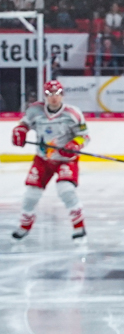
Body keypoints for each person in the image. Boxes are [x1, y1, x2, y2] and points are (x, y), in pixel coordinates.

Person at [10, 80, 89, 242]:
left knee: (66, 190)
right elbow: (24, 123)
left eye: (57, 94)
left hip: (66, 160)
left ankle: (79, 226)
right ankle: (24, 226)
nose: (54, 97)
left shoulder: (73, 113)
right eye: (49, 94)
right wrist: (20, 130)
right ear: (45, 95)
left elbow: (84, 136)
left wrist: (75, 144)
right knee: (31, 195)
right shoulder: (35, 110)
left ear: (62, 95)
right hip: (43, 160)